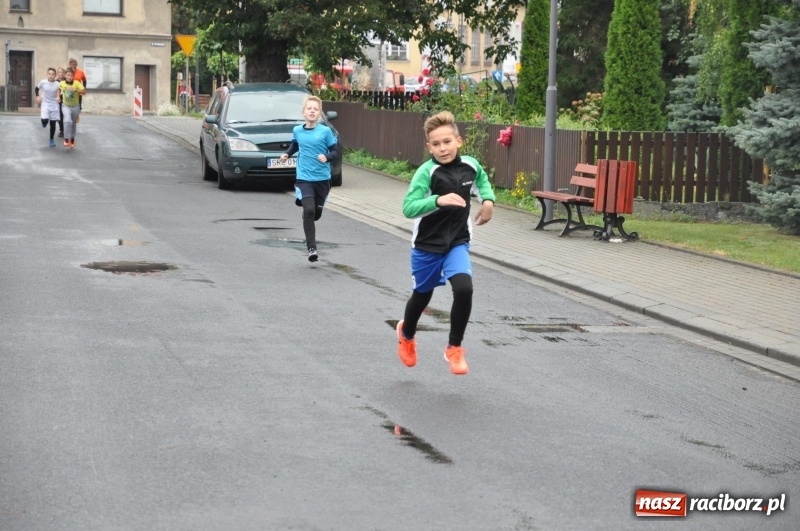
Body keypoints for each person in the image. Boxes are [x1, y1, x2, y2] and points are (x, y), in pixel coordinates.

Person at [396, 110, 495, 375]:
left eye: (447, 142)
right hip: (427, 245)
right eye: (436, 144)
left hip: (457, 242)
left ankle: (454, 347)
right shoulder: (427, 173)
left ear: (459, 141)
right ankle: (406, 334)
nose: (442, 148)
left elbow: (482, 181)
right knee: (422, 295)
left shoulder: (471, 165)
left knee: (464, 288)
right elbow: (408, 207)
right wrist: (438, 200)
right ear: (429, 147)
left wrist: (488, 201)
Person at [279, 95, 338, 262]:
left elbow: (335, 152)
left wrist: (327, 157)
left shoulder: (325, 132)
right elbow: (295, 145)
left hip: (322, 179)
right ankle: (312, 248)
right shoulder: (297, 130)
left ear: (319, 114)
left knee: (315, 213)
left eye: (316, 109)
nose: (312, 111)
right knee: (310, 211)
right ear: (303, 112)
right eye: (309, 108)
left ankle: (309, 210)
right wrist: (287, 154)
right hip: (304, 178)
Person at [57, 67, 86, 149]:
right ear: (65, 75)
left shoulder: (76, 83)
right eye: (68, 75)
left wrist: (76, 90)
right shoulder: (62, 83)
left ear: (73, 76)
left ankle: (72, 138)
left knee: (73, 123)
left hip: (75, 106)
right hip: (66, 105)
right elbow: (59, 89)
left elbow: (84, 92)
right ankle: (66, 138)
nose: (70, 77)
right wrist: (58, 97)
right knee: (67, 121)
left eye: (71, 75)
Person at [35, 67, 61, 147]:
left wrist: (59, 98)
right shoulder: (43, 82)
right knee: (45, 120)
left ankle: (51, 139)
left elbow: (59, 94)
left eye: (53, 74)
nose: (51, 76)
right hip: (45, 104)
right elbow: (36, 88)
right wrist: (37, 96)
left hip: (54, 105)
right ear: (47, 74)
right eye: (49, 74)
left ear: (55, 75)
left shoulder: (58, 84)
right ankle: (44, 122)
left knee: (53, 124)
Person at [56, 67, 66, 137]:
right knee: (60, 116)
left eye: (62, 72)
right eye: (60, 72)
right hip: (58, 101)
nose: (61, 73)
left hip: (67, 101)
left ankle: (68, 128)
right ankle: (61, 130)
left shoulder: (67, 81)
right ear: (57, 73)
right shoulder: (55, 82)